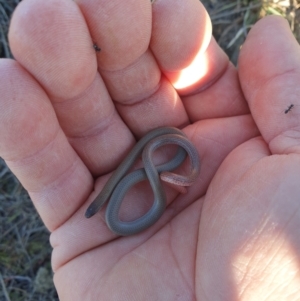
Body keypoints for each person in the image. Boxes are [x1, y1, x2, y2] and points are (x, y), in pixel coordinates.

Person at [1, 0, 300, 299]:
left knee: (151, 157)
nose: (97, 211)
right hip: (166, 159)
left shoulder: (177, 164)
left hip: (168, 157)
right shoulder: (162, 170)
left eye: (96, 208)